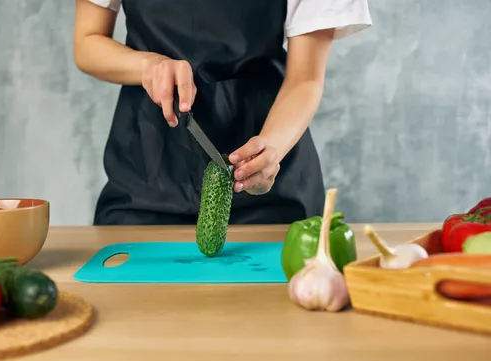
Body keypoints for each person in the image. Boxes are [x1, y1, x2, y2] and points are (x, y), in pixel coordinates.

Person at [73, 0, 372, 225]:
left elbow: (305, 78)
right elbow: (87, 41)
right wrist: (148, 65)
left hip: (268, 182)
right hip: (145, 171)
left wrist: (271, 149)